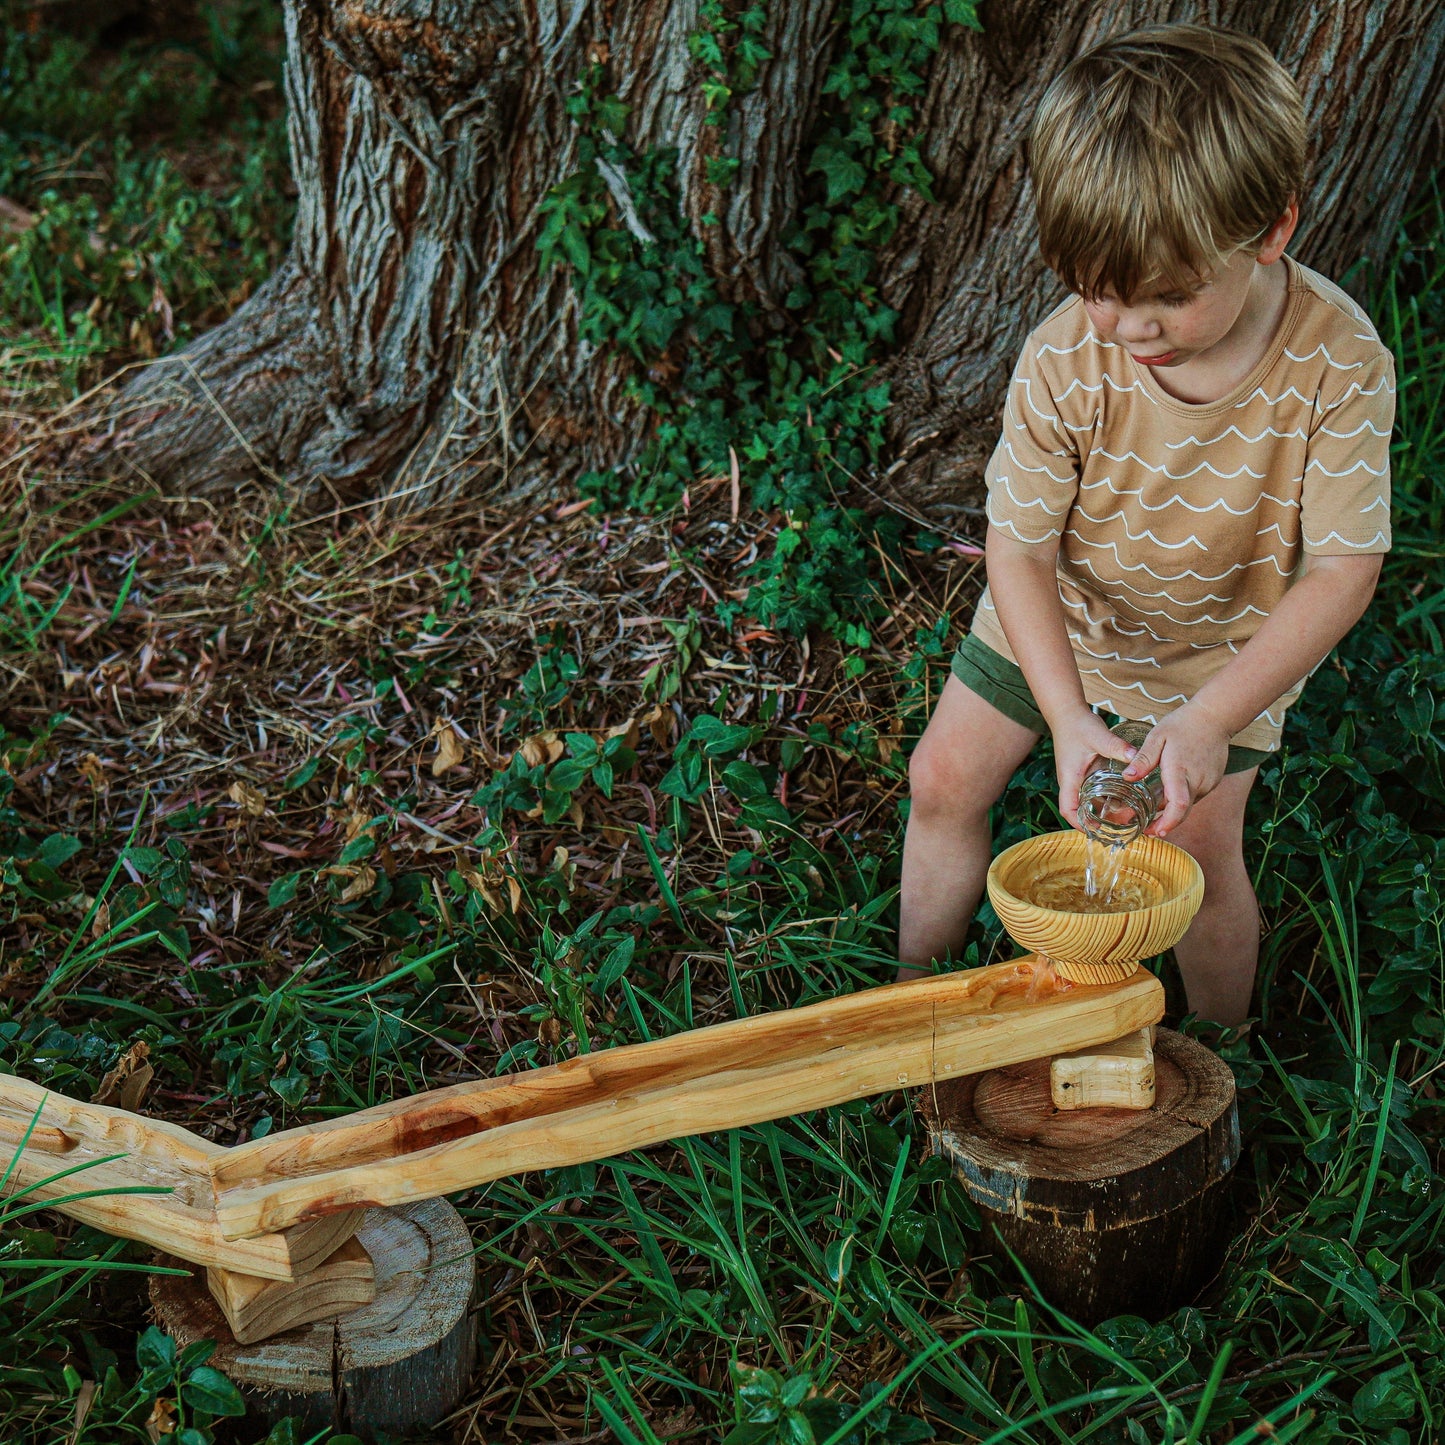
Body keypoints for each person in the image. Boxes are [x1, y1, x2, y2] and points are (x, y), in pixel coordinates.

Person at [897, 24, 1394, 1030]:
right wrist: (1069, 715)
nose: (1128, 330)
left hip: (1222, 657)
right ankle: (915, 1008)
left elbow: (1344, 566)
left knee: (1200, 858)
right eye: (1096, 292)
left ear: (1269, 229)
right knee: (942, 776)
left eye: (1166, 298)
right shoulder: (1060, 359)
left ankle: (1219, 1053)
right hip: (1061, 620)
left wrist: (1208, 717)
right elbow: (1019, 551)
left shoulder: (1337, 361)